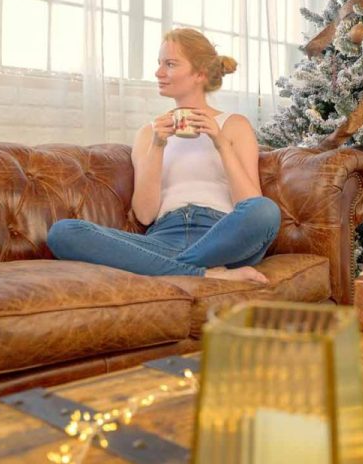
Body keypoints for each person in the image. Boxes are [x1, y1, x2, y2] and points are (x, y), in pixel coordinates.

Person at [47, 29, 280, 283]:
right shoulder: (149, 134)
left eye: (169, 64)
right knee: (64, 232)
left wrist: (221, 144)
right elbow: (145, 215)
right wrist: (158, 145)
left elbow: (250, 204)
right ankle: (205, 273)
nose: (158, 73)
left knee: (265, 210)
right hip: (164, 237)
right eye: (159, 64)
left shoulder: (234, 125)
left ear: (200, 73)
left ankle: (165, 268)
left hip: (222, 238)